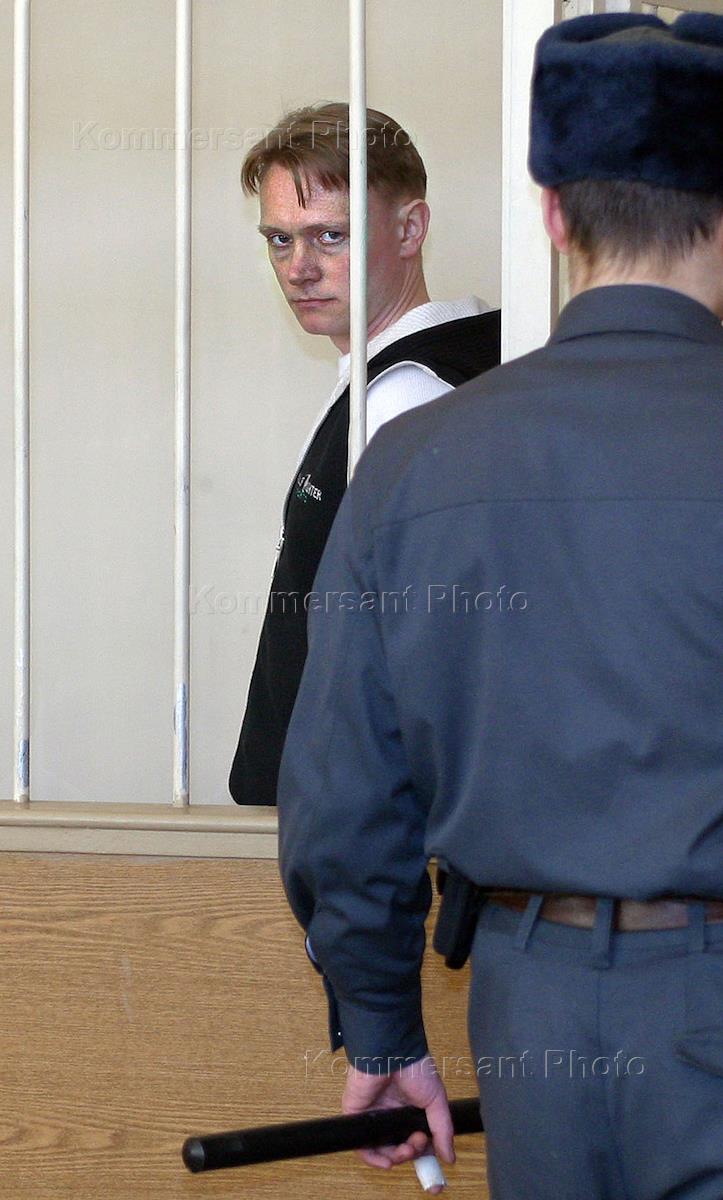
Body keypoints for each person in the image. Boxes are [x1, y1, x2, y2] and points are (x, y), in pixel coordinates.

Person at [277, 12, 723, 1199]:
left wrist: (382, 1029)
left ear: (554, 214)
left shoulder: (413, 461)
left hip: (532, 1014)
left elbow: (342, 790)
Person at [229, 102, 501, 806]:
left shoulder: (408, 396)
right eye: (279, 240)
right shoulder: (390, 377)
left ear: (410, 228)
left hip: (371, 821)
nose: (299, 268)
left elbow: (424, 645)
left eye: (331, 235)